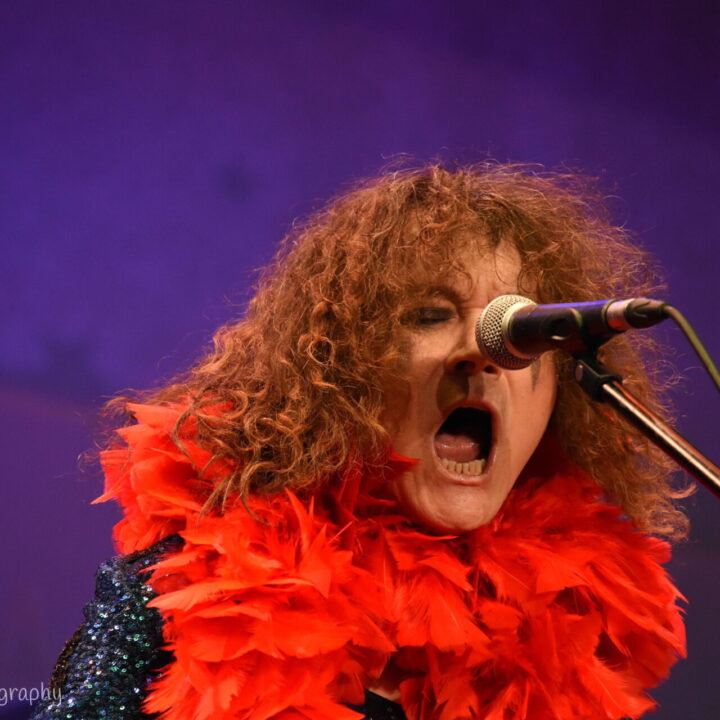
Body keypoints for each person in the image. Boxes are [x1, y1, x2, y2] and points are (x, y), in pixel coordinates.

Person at [32, 164, 688, 720]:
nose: (484, 353)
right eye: (431, 316)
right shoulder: (182, 591)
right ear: (340, 368)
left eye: (519, 327)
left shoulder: (576, 632)